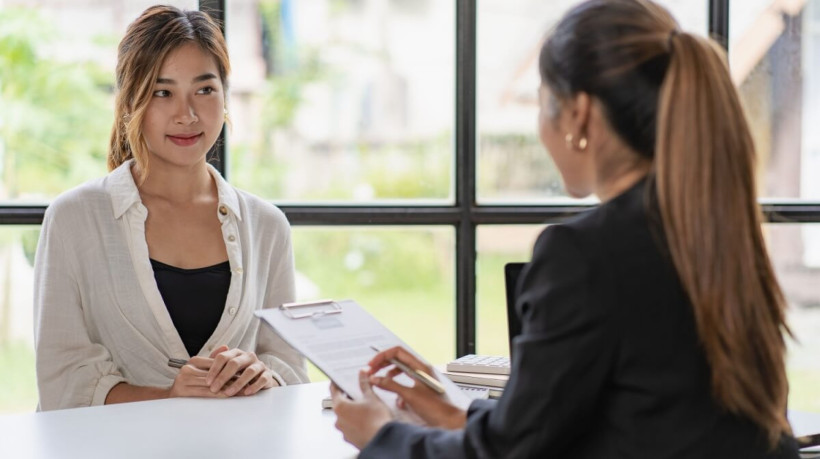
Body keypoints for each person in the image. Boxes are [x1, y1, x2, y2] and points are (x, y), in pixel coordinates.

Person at [331, 0, 800, 457]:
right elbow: (636, 419)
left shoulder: (585, 253)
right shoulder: (718, 231)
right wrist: (460, 414)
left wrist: (379, 436)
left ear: (578, 115)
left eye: (541, 104)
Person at [33, 5, 308, 411]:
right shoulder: (74, 219)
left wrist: (262, 374)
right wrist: (168, 397)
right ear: (131, 101)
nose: (187, 114)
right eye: (163, 92)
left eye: (205, 89)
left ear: (225, 96)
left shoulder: (266, 225)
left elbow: (290, 368)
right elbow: (62, 379)